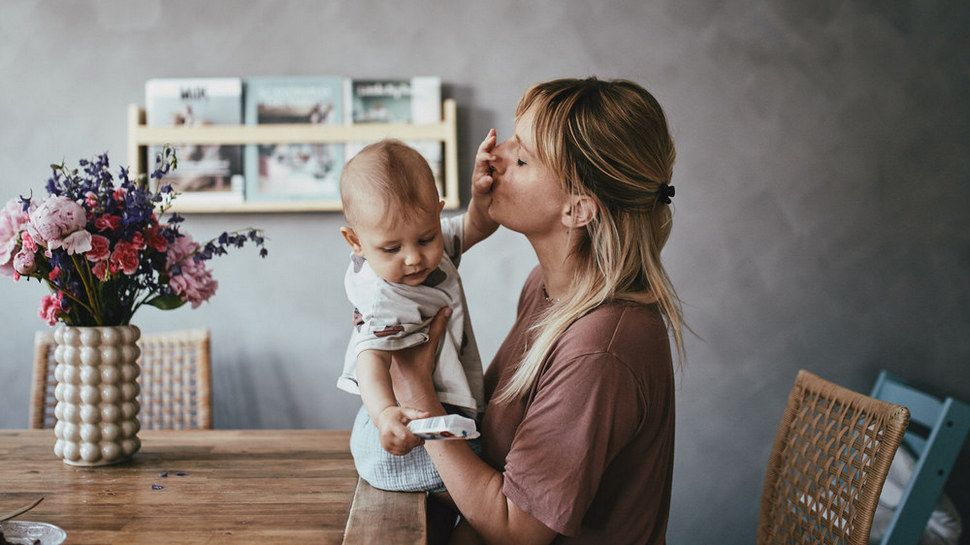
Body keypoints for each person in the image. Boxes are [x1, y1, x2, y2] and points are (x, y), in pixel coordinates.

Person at [388, 77, 685, 545]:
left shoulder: (600, 349)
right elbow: (492, 446)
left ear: (578, 210)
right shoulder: (548, 291)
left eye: (521, 159)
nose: (494, 155)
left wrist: (421, 401)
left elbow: (516, 530)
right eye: (510, 138)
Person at [337, 139, 498, 492]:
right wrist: (384, 416)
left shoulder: (431, 246)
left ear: (437, 216)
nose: (414, 258)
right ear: (355, 241)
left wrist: (481, 197)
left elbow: (476, 225)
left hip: (437, 412)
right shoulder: (383, 296)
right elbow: (370, 361)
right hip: (410, 428)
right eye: (392, 248)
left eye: (426, 239)